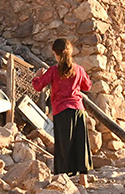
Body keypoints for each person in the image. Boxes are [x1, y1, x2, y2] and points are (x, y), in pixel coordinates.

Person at [32, 38, 93, 187]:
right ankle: (83, 178)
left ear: (55, 54)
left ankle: (63, 177)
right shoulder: (78, 69)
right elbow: (88, 86)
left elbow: (38, 86)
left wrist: (37, 75)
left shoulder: (53, 70)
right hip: (78, 109)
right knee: (81, 143)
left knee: (63, 144)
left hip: (61, 111)